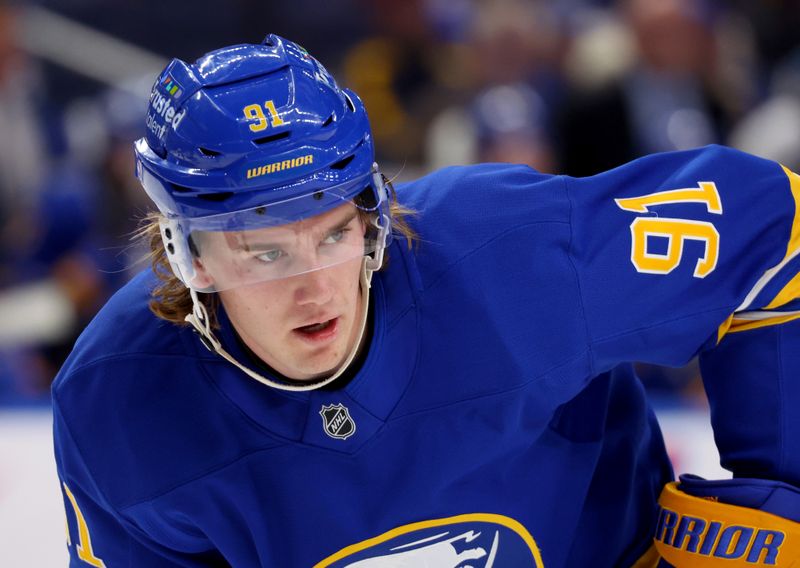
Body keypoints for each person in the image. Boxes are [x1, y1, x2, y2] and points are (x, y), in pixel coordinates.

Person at [52, 35, 800, 567]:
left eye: (334, 232)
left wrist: (783, 490)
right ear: (186, 257)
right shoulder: (116, 405)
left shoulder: (513, 255)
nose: (313, 284)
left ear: (372, 212)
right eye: (264, 251)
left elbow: (772, 228)